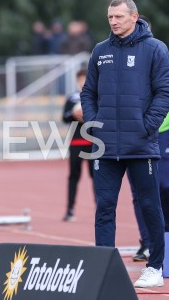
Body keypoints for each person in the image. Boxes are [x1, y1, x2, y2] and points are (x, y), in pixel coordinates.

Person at [80, 0, 169, 288]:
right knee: (105, 207)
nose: (113, 22)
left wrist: (146, 126)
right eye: (110, 17)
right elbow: (88, 93)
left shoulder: (155, 49)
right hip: (106, 147)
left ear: (134, 17)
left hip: (140, 145)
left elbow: (166, 93)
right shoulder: (100, 51)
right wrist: (95, 125)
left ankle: (155, 267)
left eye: (119, 17)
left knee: (150, 206)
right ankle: (104, 267)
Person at [130, 15, 169, 262]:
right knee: (141, 189)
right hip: (134, 134)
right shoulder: (121, 60)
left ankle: (168, 235)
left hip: (162, 133)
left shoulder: (166, 58)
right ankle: (147, 241)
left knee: (165, 186)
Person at [62, 68, 94, 222]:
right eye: (80, 79)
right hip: (76, 142)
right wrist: (74, 114)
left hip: (95, 143)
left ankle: (100, 208)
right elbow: (64, 117)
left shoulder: (96, 96)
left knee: (97, 176)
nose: (83, 82)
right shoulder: (72, 98)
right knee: (74, 176)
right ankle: (70, 209)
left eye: (85, 79)